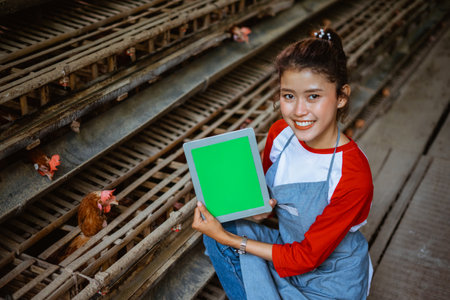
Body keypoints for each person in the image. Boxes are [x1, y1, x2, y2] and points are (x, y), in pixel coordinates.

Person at [192, 28, 373, 300]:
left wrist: (229, 240)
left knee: (224, 237)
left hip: (329, 280)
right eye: (289, 96)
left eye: (313, 96)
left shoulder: (353, 174)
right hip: (286, 247)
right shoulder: (280, 135)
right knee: (218, 229)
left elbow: (306, 257)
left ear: (341, 96)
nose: (298, 111)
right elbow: (271, 202)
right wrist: (260, 211)